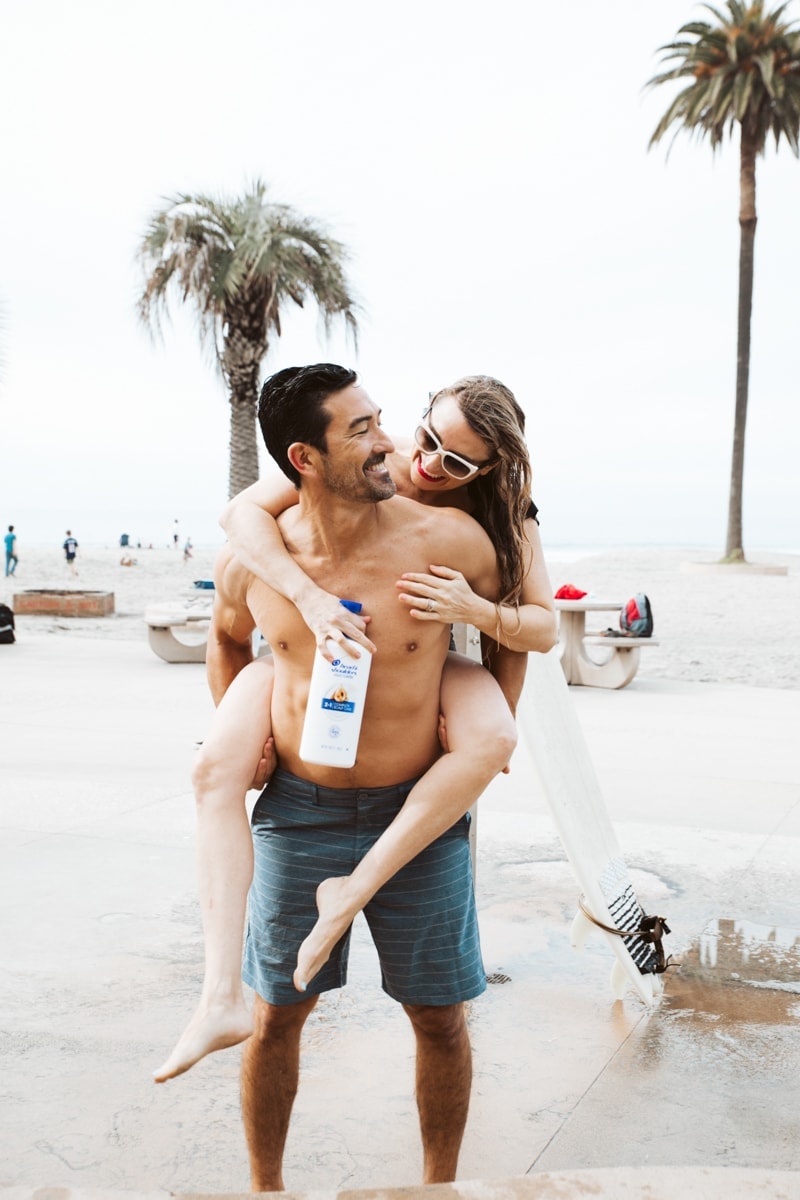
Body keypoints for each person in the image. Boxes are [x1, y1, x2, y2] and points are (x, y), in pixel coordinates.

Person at [153, 373, 557, 1085]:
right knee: (212, 770)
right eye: (427, 438)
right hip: (320, 655)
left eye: (457, 464)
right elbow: (241, 518)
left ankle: (355, 888)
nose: (429, 465)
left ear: (490, 470)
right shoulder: (375, 461)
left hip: (440, 647)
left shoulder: (495, 521)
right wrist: (306, 603)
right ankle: (219, 998)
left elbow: (525, 637)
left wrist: (483, 653)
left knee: (493, 737)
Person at [197, 363, 512, 1189]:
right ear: (305, 457)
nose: (392, 444)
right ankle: (267, 1187)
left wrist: (488, 723)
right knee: (275, 1019)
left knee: (441, 1020)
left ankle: (438, 1185)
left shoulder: (449, 544)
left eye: (382, 420)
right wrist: (246, 726)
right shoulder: (257, 563)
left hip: (423, 819)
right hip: (299, 811)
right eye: (363, 430)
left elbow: (515, 626)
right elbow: (228, 637)